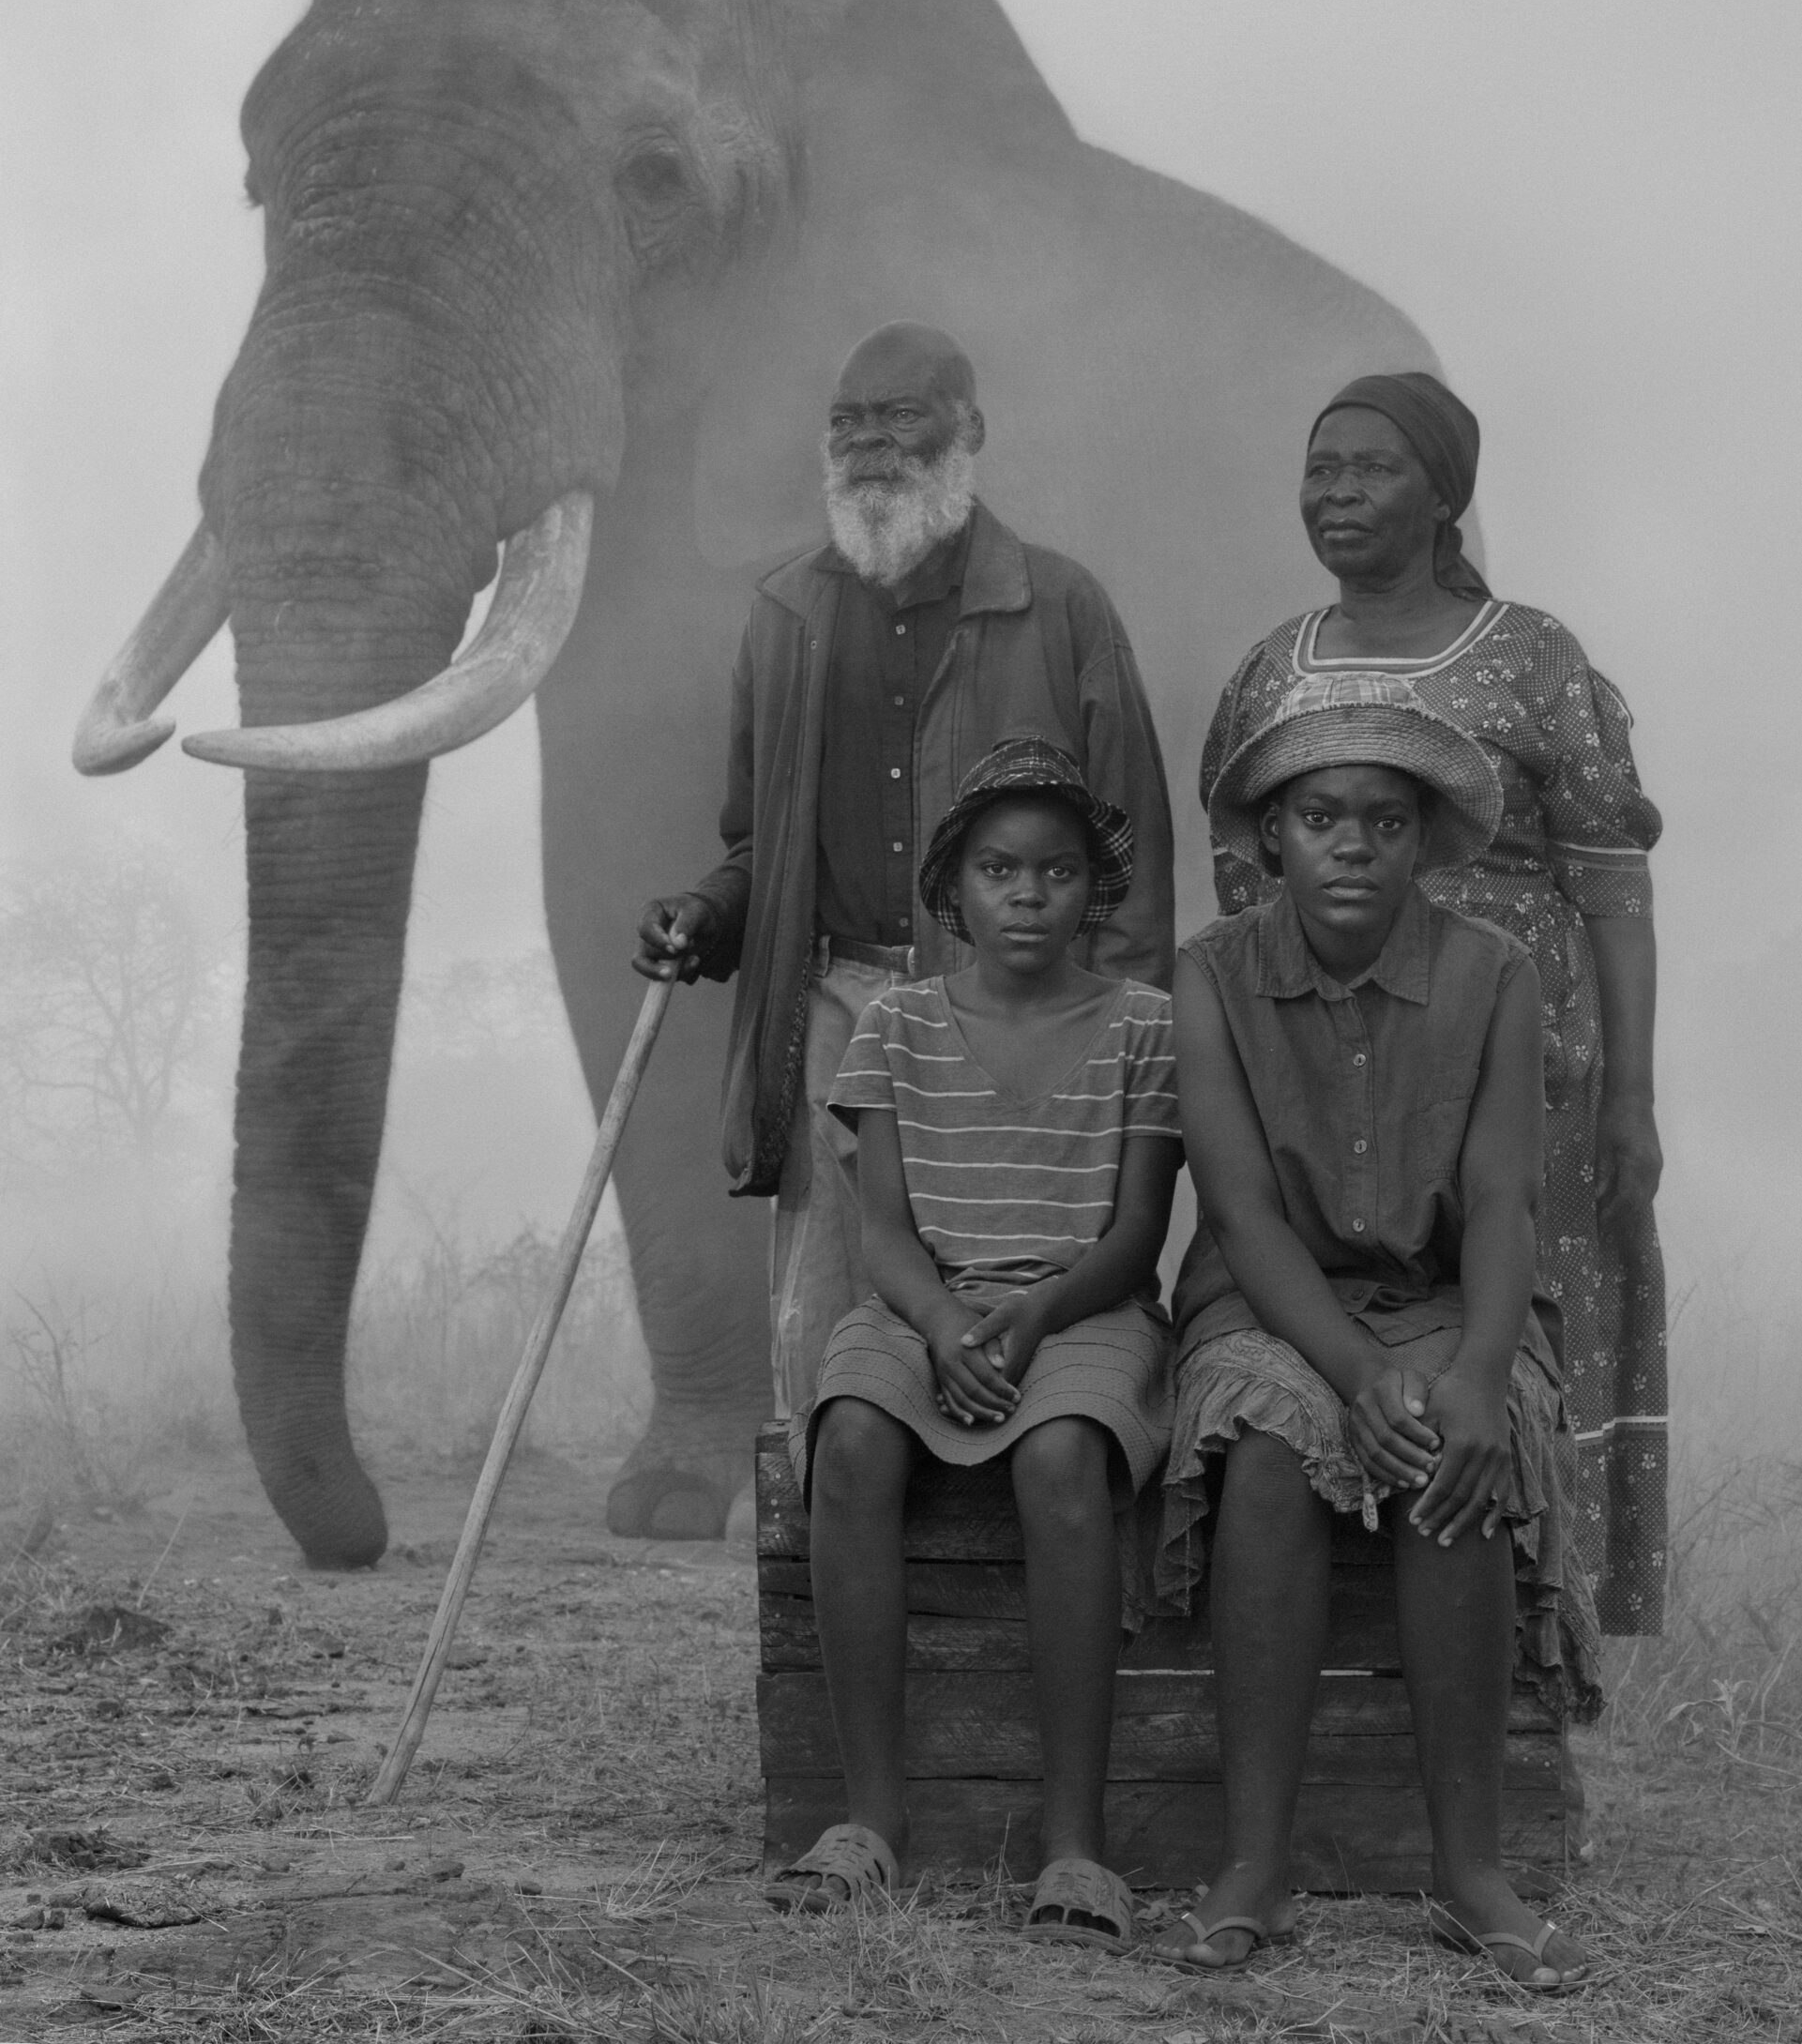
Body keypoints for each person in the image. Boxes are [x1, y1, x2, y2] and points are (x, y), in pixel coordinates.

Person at [634, 322, 1174, 1433]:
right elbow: (758, 848)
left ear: (968, 430)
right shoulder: (784, 616)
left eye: (900, 414)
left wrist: (1123, 1054)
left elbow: (1131, 860)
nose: (869, 441)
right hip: (833, 1009)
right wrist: (706, 912)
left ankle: (997, 1591)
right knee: (826, 1318)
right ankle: (830, 1589)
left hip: (1020, 1017)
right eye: (847, 421)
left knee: (1011, 1315)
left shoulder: (1063, 608)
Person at [1200, 372, 1664, 1638]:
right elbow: (1242, 913)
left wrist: (1628, 1092)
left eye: (1371, 468)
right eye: (1320, 468)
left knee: (1515, 1349)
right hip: (1336, 1085)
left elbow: (1613, 880)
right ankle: (1362, 1665)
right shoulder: (1265, 674)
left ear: (1445, 493)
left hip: (1529, 1074)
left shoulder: (1534, 657)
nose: (1335, 492)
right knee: (1353, 1342)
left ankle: (1539, 1680)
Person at [1152, 673, 1598, 1991]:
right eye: (1320, 819)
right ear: (1269, 839)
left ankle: (1469, 1875)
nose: (1351, 846)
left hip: (1455, 1298)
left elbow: (1509, 1204)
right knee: (1279, 1456)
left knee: (1454, 1462)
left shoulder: (1492, 975)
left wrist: (1468, 1377)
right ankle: (1253, 1862)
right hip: (1270, 1300)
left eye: (1384, 824)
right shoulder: (1211, 976)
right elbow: (1237, 1213)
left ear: (1420, 842)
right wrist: (1351, 1373)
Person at [763, 737, 1183, 1940]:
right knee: (847, 1440)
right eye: (999, 869)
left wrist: (1034, 1314)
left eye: (1056, 872)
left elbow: (1138, 1234)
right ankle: (872, 1818)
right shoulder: (895, 1023)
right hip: (922, 1303)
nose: (1028, 893)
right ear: (952, 890)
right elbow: (882, 1235)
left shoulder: (1143, 1025)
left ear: (1091, 891)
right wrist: (943, 1319)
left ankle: (1073, 1848)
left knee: (1061, 1462)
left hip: (1084, 1309)